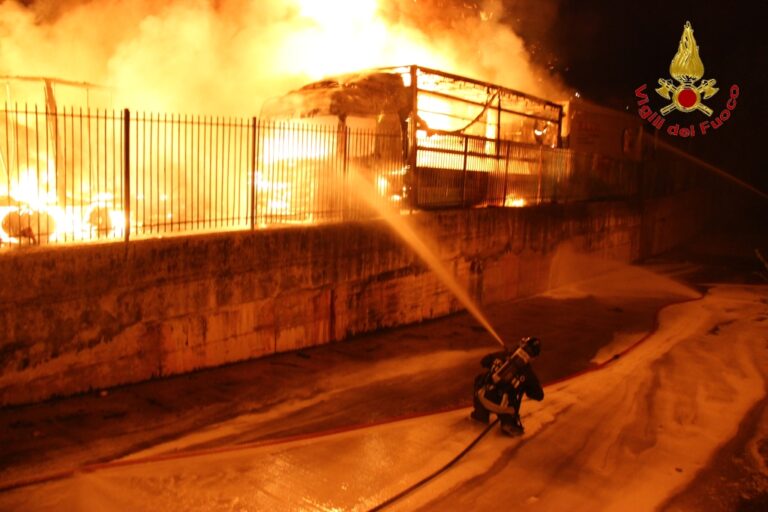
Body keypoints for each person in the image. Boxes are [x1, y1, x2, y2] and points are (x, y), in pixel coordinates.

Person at [470, 336, 544, 437]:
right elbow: (539, 396)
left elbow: (484, 361)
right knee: (513, 396)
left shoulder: (503, 355)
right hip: (503, 408)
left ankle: (480, 414)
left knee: (480, 378)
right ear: (534, 357)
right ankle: (507, 423)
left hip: (483, 397)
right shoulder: (529, 374)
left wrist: (500, 359)